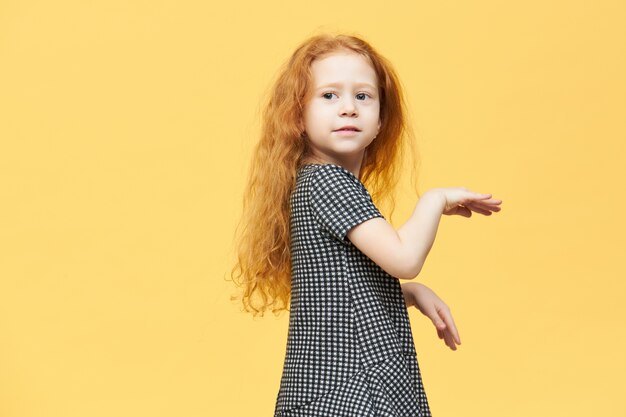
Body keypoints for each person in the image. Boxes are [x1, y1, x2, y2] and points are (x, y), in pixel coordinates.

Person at [229, 33, 502, 417]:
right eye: (329, 96)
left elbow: (338, 296)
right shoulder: (330, 183)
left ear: (380, 120)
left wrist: (410, 293)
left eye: (363, 96)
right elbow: (405, 258)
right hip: (355, 392)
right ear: (297, 117)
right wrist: (434, 200)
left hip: (330, 392)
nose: (348, 108)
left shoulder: (310, 183)